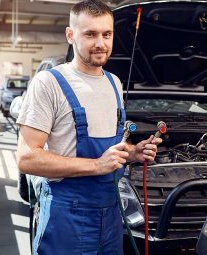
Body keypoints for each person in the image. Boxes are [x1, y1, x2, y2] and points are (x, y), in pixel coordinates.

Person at [16, 0, 162, 254]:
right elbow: (27, 158)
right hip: (67, 215)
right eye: (90, 34)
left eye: (107, 34)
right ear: (71, 35)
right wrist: (97, 165)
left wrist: (132, 153)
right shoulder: (49, 83)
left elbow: (111, 149)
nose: (100, 44)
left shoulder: (114, 83)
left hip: (111, 214)